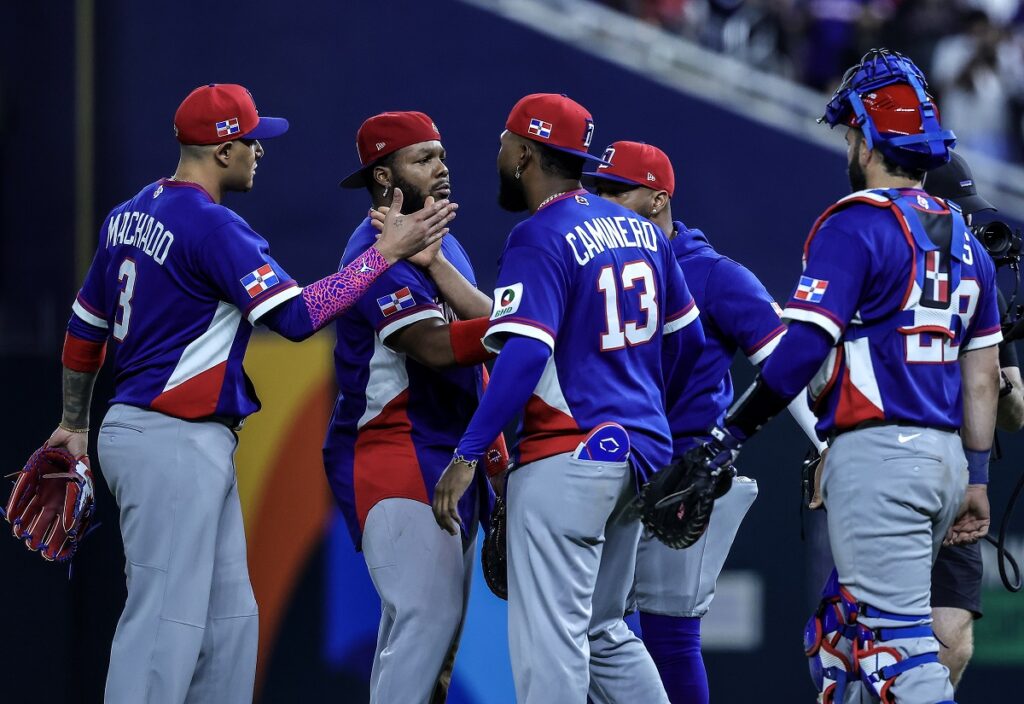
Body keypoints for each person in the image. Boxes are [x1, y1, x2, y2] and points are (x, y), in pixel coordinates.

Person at [49, 83, 454, 704]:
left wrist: (74, 422)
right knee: (164, 623)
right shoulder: (212, 226)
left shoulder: (128, 214)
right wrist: (383, 254)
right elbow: (296, 319)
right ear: (222, 149)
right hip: (171, 435)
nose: (260, 151)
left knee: (230, 624)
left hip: (160, 435)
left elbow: (85, 329)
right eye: (252, 141)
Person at [688, 50, 1000, 703]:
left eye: (852, 135)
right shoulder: (967, 242)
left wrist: (731, 432)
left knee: (900, 650)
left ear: (865, 139)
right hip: (943, 459)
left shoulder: (854, 222)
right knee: (840, 636)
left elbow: (802, 349)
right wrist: (976, 478)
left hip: (881, 455)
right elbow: (983, 378)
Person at [431, 93, 706, 703]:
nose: (497, 152)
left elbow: (525, 354)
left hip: (568, 455)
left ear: (526, 153)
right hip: (640, 456)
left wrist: (469, 453)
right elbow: (689, 341)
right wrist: (642, 399)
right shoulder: (642, 231)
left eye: (504, 142)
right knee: (604, 632)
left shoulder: (538, 234)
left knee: (549, 644)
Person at [585, 140, 825, 704]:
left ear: (657, 199)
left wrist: (828, 442)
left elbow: (784, 365)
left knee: (668, 633)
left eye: (618, 190)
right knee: (595, 630)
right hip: (609, 464)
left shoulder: (714, 275)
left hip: (682, 472)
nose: (603, 200)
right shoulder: (597, 265)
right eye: (599, 189)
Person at [324, 111, 503, 704]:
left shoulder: (443, 244)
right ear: (384, 177)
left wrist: (492, 454)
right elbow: (430, 347)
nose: (442, 167)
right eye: (423, 158)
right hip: (392, 448)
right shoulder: (372, 251)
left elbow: (483, 343)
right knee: (426, 617)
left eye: (442, 154)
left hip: (449, 453)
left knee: (431, 646)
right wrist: (534, 334)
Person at [922, 150, 1024, 689]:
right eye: (951, 211)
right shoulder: (880, 267)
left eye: (966, 212)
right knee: (860, 638)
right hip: (887, 467)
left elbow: (1016, 415)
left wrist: (992, 372)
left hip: (958, 485)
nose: (962, 223)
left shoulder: (978, 282)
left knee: (951, 642)